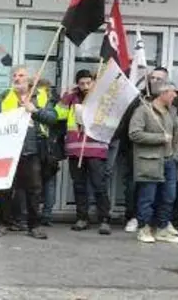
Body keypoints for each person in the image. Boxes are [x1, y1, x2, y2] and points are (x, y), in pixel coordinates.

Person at [0, 66, 55, 240]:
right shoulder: (4, 97)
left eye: (21, 75)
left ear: (30, 80)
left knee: (34, 190)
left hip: (31, 150)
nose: (17, 78)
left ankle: (34, 226)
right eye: (15, 75)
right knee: (4, 189)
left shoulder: (41, 96)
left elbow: (52, 118)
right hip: (8, 150)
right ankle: (2, 223)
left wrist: (35, 111)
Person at [56, 69, 112, 234]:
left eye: (88, 82)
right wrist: (66, 98)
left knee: (99, 186)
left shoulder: (102, 98)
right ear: (77, 84)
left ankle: (104, 219)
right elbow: (59, 114)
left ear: (94, 82)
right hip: (76, 149)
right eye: (82, 83)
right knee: (79, 185)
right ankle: (82, 218)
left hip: (96, 148)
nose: (85, 86)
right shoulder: (72, 98)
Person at [130, 80, 178, 244]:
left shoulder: (172, 111)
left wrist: (177, 154)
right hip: (150, 161)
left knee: (169, 197)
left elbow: (176, 136)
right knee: (148, 197)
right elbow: (134, 133)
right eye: (172, 92)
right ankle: (144, 228)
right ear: (163, 93)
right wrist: (160, 138)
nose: (175, 95)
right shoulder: (143, 111)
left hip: (170, 161)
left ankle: (162, 228)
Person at [118, 65, 170, 232]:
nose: (154, 81)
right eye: (152, 78)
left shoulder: (171, 101)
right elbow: (127, 124)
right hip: (137, 151)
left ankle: (159, 221)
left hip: (164, 154)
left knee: (163, 190)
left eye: (159, 79)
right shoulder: (137, 99)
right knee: (134, 186)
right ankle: (134, 217)